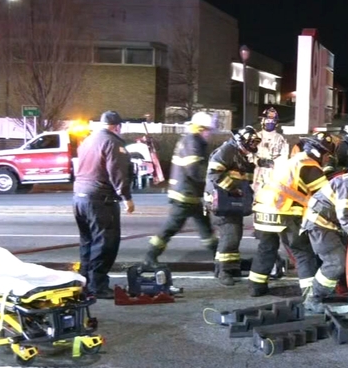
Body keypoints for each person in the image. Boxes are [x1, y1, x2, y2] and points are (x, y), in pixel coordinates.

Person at [248, 131, 335, 297]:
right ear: (319, 152)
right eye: (327, 155)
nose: (327, 160)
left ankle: (256, 287)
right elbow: (325, 195)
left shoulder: (292, 161)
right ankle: (310, 293)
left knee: (266, 249)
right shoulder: (309, 165)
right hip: (285, 212)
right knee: (303, 252)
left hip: (264, 212)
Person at [73, 111, 135, 299]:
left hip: (79, 197)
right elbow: (117, 172)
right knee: (105, 243)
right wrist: (126, 197)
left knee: (88, 241)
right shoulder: (113, 143)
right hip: (100, 199)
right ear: (117, 126)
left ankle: (84, 281)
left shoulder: (88, 140)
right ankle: (98, 285)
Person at [144, 112, 218, 268]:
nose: (209, 134)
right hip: (185, 194)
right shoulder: (193, 141)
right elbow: (194, 170)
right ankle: (150, 256)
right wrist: (210, 181)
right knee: (171, 227)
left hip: (190, 194)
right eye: (208, 130)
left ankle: (219, 257)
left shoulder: (190, 140)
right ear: (200, 128)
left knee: (206, 228)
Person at [301, 150, 348, 314]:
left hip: (333, 226)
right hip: (320, 225)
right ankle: (313, 298)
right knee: (336, 262)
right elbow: (346, 216)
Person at [205, 125, 260, 286]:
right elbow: (214, 173)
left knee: (234, 235)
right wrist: (233, 189)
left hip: (231, 202)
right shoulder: (228, 150)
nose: (253, 146)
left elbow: (245, 179)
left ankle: (228, 268)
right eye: (251, 142)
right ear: (242, 140)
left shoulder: (240, 155)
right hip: (223, 202)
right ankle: (225, 271)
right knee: (231, 236)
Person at [252, 107, 289, 194]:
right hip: (257, 171)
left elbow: (284, 156)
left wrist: (273, 163)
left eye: (273, 120)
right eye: (267, 120)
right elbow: (249, 154)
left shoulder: (280, 139)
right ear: (263, 121)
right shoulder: (256, 136)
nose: (270, 122)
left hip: (273, 172)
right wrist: (257, 161)